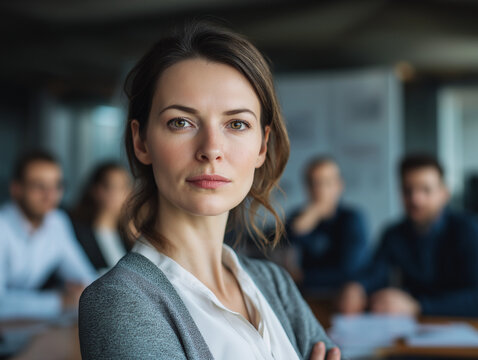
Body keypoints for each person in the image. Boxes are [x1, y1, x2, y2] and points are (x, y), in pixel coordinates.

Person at [79, 21, 341, 360]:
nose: (211, 149)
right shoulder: (119, 300)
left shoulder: (272, 283)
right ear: (141, 141)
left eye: (236, 124)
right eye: (181, 122)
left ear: (262, 146)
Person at [339, 154, 478, 317]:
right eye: (407, 190)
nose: (415, 199)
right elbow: (375, 273)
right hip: (411, 330)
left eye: (426, 190)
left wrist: (417, 306)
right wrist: (357, 287)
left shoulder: (468, 230)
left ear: (444, 193)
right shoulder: (393, 234)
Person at [0, 150, 96, 320]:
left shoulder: (57, 222)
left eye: (56, 186)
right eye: (39, 186)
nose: (50, 195)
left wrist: (83, 291)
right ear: (16, 189)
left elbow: (84, 278)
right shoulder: (3, 227)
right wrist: (59, 301)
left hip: (25, 327)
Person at [287, 157, 369, 292]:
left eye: (327, 183)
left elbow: (351, 270)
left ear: (339, 185)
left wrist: (304, 277)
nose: (320, 189)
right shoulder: (296, 218)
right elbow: (280, 257)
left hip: (338, 296)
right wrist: (297, 229)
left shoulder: (351, 218)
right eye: (314, 183)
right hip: (302, 294)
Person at [71, 162, 132, 273]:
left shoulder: (129, 238)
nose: (118, 194)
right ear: (96, 190)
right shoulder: (75, 232)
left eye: (124, 187)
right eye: (112, 187)